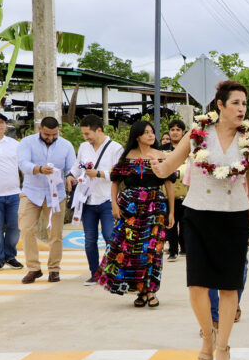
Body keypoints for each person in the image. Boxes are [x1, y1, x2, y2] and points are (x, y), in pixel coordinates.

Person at [152, 79, 249, 360]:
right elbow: (170, 165)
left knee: (230, 287)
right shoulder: (197, 134)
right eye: (235, 103)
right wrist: (158, 167)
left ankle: (223, 347)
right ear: (220, 105)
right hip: (199, 215)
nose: (241, 108)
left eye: (244, 104)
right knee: (197, 287)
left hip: (233, 217)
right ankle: (208, 334)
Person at [95, 120, 174, 308]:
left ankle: (151, 290)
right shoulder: (127, 157)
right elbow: (115, 182)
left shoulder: (160, 156)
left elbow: (169, 185)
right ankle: (140, 290)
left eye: (152, 131)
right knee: (132, 249)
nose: (150, 135)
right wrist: (114, 204)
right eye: (146, 132)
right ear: (137, 136)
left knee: (153, 250)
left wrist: (171, 212)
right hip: (130, 210)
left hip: (155, 209)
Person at [17, 117, 76, 284]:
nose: (50, 137)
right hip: (31, 193)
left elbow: (72, 167)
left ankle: (54, 269)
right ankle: (34, 268)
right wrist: (39, 169)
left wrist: (70, 177)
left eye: (54, 134)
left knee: (55, 234)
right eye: (47, 134)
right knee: (26, 229)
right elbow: (23, 164)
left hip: (56, 195)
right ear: (39, 129)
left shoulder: (66, 145)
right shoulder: (27, 143)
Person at [66, 115, 123, 284]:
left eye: (87, 133)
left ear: (99, 130)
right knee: (89, 239)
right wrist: (70, 175)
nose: (86, 137)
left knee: (109, 236)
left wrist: (99, 173)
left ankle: (112, 271)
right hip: (87, 200)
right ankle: (95, 273)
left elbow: (118, 173)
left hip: (107, 199)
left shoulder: (115, 148)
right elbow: (77, 166)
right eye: (84, 134)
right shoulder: (84, 147)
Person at [160, 119, 188, 262]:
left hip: (186, 193)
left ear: (183, 132)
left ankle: (184, 247)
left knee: (185, 223)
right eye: (172, 130)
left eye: (178, 130)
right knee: (170, 223)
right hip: (168, 193)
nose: (175, 132)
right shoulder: (162, 149)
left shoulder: (189, 148)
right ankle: (173, 250)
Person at [0, 112, 22, 270]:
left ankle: (10, 255)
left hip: (14, 194)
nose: (0, 125)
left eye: (2, 122)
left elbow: (24, 167)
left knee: (14, 227)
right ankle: (0, 258)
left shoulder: (15, 145)